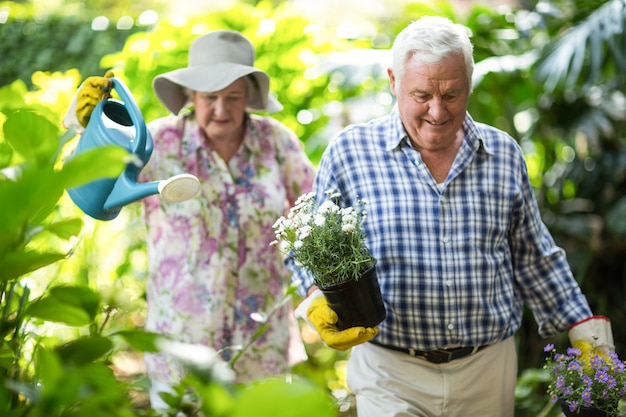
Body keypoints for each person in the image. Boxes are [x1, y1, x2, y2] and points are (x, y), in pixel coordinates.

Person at [291, 16, 614, 417]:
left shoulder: (503, 154)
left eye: (453, 94)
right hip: (391, 371)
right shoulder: (350, 152)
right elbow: (306, 249)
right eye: (421, 94)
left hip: (486, 368)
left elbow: (535, 257)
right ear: (393, 81)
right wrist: (316, 297)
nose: (438, 111)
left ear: (470, 84)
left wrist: (588, 336)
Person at [65, 30, 316, 410]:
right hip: (181, 343)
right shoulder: (159, 141)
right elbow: (93, 177)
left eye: (232, 97)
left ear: (249, 97)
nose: (221, 109)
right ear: (190, 97)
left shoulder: (276, 143)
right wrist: (84, 125)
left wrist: (319, 286)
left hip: (260, 339)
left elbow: (314, 214)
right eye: (210, 97)